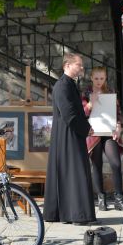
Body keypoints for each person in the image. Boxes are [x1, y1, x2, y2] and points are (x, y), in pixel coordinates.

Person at [43, 53, 97, 225]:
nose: (81, 68)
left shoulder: (70, 85)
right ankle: (77, 215)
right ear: (67, 65)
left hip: (72, 134)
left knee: (72, 174)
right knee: (75, 173)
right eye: (78, 65)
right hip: (67, 136)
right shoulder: (61, 86)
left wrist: (85, 126)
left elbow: (75, 112)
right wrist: (86, 129)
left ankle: (70, 213)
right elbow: (69, 114)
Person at [82, 67, 123, 212]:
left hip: (109, 132)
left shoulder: (110, 92)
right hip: (94, 133)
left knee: (116, 163)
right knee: (96, 165)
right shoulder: (86, 93)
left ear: (105, 78)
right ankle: (101, 198)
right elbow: (81, 112)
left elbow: (117, 113)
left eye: (101, 78)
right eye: (96, 78)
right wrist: (90, 103)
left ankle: (119, 199)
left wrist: (118, 127)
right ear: (91, 78)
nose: (99, 81)